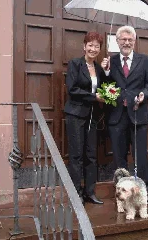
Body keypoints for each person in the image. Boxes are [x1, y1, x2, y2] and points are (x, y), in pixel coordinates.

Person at [101, 25, 148, 205]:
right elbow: (105, 86)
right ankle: (121, 196)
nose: (126, 42)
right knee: (119, 158)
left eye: (129, 40)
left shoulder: (145, 61)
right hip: (117, 117)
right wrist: (106, 72)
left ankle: (144, 193)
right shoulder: (111, 61)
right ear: (117, 41)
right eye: (123, 39)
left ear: (134, 41)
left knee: (141, 157)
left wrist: (143, 95)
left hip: (138, 115)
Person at [64, 32, 106, 205]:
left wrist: (107, 72)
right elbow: (72, 89)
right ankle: (77, 194)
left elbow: (104, 88)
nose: (93, 49)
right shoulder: (75, 64)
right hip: (75, 114)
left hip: (92, 116)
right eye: (90, 45)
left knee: (91, 155)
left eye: (97, 46)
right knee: (76, 156)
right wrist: (93, 96)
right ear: (84, 46)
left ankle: (90, 192)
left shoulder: (99, 68)